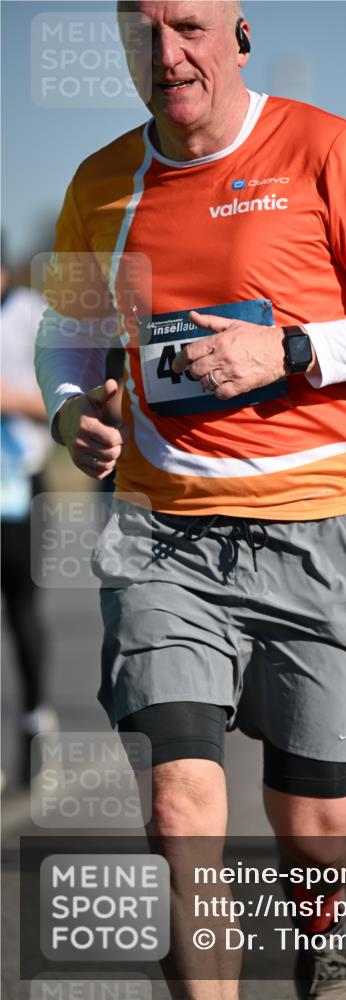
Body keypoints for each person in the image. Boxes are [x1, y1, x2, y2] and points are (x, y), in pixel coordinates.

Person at [34, 5, 346, 998]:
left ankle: (325, 933)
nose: (167, 53)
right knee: (180, 815)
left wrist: (299, 347)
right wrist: (71, 415)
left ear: (236, 32)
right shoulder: (101, 183)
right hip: (161, 539)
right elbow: (66, 334)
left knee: (314, 828)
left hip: (317, 531)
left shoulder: (322, 148)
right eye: (141, 30)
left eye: (187, 25)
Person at [1, 244, 57, 787]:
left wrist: (10, 399)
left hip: (21, 487)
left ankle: (34, 723)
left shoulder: (33, 316)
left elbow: (67, 400)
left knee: (22, 612)